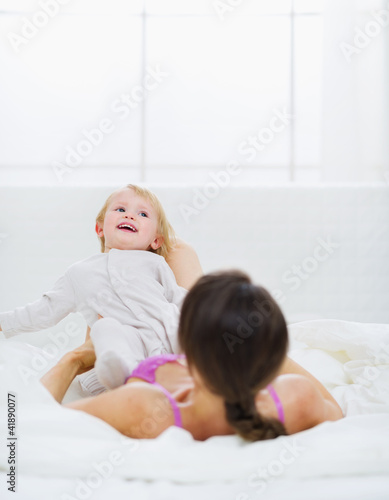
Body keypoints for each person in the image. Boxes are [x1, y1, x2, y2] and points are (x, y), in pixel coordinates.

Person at [41, 271, 343, 442]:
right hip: (222, 362)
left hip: (159, 362)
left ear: (185, 342)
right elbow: (336, 412)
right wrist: (256, 343)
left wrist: (75, 359)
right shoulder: (295, 399)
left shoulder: (144, 405)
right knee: (179, 265)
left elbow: (31, 426)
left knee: (175, 270)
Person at [0, 184, 202, 394]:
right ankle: (120, 370)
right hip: (129, 342)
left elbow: (176, 296)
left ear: (156, 240)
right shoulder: (80, 273)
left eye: (142, 213)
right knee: (105, 329)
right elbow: (43, 310)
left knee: (190, 332)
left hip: (169, 334)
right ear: (100, 228)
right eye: (120, 210)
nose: (130, 216)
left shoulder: (156, 264)